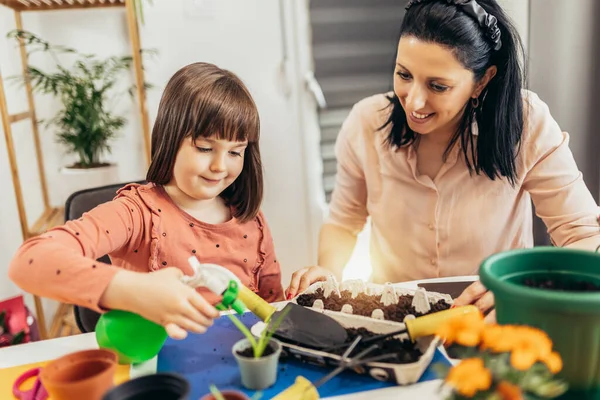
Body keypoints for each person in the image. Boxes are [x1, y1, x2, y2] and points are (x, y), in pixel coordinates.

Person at [286, 0, 600, 318]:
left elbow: (583, 233)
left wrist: (524, 285)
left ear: (482, 81)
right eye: (404, 75)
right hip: (394, 319)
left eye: (438, 86)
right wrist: (328, 269)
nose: (415, 101)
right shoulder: (366, 121)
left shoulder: (526, 122)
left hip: (494, 315)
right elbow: (344, 221)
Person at [9, 62, 284, 339]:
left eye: (235, 152)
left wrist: (312, 294)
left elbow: (272, 310)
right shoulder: (135, 213)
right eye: (204, 148)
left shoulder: (252, 221)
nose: (220, 166)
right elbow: (30, 261)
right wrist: (131, 290)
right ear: (170, 138)